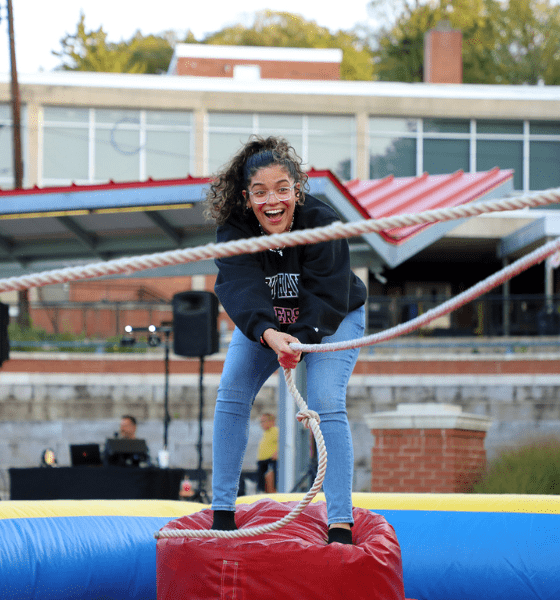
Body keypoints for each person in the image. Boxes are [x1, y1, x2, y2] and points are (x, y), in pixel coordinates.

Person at [206, 135, 366, 545]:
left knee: (326, 401)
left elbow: (328, 294)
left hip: (332, 316)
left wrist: (302, 338)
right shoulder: (236, 231)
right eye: (260, 192)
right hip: (269, 322)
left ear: (296, 190)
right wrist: (269, 333)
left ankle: (340, 523)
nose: (272, 201)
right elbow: (239, 288)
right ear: (246, 198)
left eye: (282, 189)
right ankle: (222, 511)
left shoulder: (322, 223)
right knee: (231, 393)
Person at [256, 413, 278, 493]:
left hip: (270, 461)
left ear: (271, 421)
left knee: (269, 479)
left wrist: (277, 453)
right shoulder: (266, 433)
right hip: (262, 461)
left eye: (263, 421)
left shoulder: (275, 431)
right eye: (261, 422)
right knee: (261, 484)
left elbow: (282, 443)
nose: (261, 424)